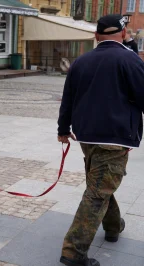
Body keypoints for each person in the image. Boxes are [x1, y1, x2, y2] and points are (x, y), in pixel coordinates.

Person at [57, 14, 144, 266]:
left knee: (100, 182)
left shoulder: (81, 61)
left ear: (96, 36)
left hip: (86, 135)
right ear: (124, 34)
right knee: (98, 191)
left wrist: (63, 129)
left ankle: (113, 226)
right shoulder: (130, 59)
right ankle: (73, 253)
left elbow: (68, 99)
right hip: (115, 137)